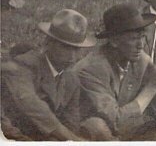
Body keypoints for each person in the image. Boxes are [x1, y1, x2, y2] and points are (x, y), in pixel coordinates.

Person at [75, 4, 156, 140]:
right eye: (133, 39)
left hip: (126, 129)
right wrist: (151, 87)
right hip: (98, 133)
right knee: (97, 126)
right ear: (114, 41)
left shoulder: (141, 59)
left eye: (142, 37)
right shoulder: (91, 69)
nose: (141, 45)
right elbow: (115, 122)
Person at [1, 9, 96, 140]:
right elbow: (33, 106)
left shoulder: (71, 79)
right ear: (48, 43)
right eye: (65, 47)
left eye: (76, 49)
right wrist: (73, 139)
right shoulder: (23, 65)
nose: (72, 56)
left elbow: (71, 122)